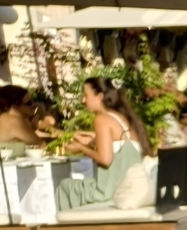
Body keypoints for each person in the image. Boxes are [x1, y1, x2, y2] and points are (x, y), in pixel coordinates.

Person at [53, 77, 151, 209]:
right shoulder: (125, 119)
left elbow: (105, 160)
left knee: (64, 186)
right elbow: (117, 146)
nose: (83, 100)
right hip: (129, 190)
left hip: (107, 193)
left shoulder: (102, 119)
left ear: (99, 96)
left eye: (86, 95)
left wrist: (81, 148)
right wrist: (91, 142)